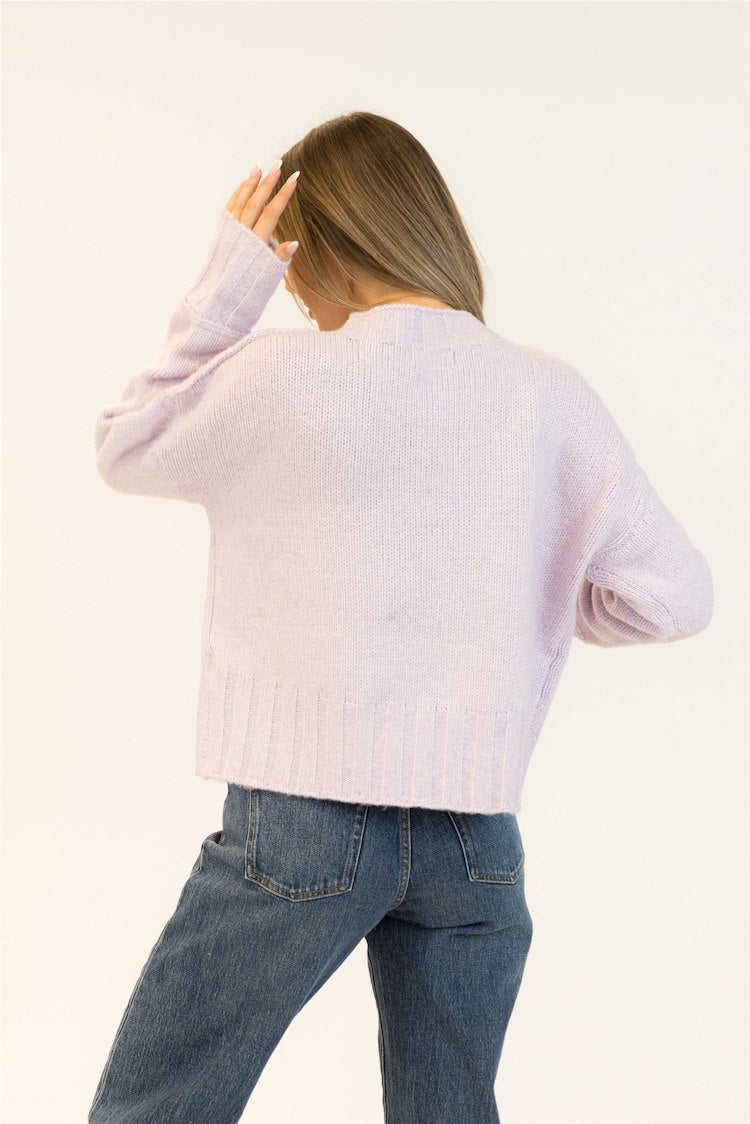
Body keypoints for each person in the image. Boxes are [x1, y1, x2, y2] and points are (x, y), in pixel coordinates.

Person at [87, 111, 712, 1124]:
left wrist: (230, 283)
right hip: (475, 839)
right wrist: (514, 589)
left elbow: (126, 445)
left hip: (301, 825)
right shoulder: (546, 394)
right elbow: (673, 594)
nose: (290, 286)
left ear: (326, 242)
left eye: (290, 258)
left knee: (155, 1106)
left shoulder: (278, 375)